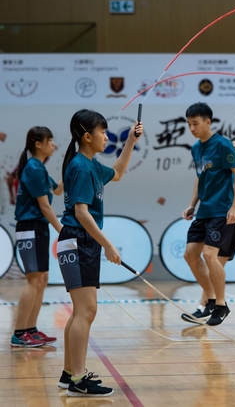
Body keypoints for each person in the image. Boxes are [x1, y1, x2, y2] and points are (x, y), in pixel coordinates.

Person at [57, 109, 143, 397]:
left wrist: (130, 141)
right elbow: (81, 213)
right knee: (86, 310)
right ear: (86, 136)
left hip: (80, 241)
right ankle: (79, 379)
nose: (107, 137)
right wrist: (108, 244)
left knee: (81, 311)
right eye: (103, 132)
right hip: (78, 240)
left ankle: (69, 373)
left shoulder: (91, 164)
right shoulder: (81, 167)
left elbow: (117, 173)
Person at [185, 136, 235, 325]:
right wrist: (192, 205)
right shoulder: (224, 173)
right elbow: (201, 180)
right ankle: (205, 306)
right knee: (213, 262)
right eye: (233, 148)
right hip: (226, 220)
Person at [180, 102, 235, 327]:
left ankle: (221, 305)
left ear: (208, 122)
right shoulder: (196, 148)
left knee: (209, 255)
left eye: (195, 123)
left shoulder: (223, 145)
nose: (192, 128)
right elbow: (200, 178)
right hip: (204, 211)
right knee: (190, 254)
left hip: (221, 211)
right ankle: (211, 300)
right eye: (189, 124)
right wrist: (192, 204)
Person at [11, 127, 63, 348]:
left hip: (39, 228)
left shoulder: (40, 168)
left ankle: (31, 329)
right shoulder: (33, 167)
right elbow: (45, 206)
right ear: (38, 144)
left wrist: (72, 167)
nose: (53, 144)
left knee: (42, 280)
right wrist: (62, 230)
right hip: (30, 227)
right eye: (49, 141)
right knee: (33, 280)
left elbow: (58, 190)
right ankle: (18, 334)